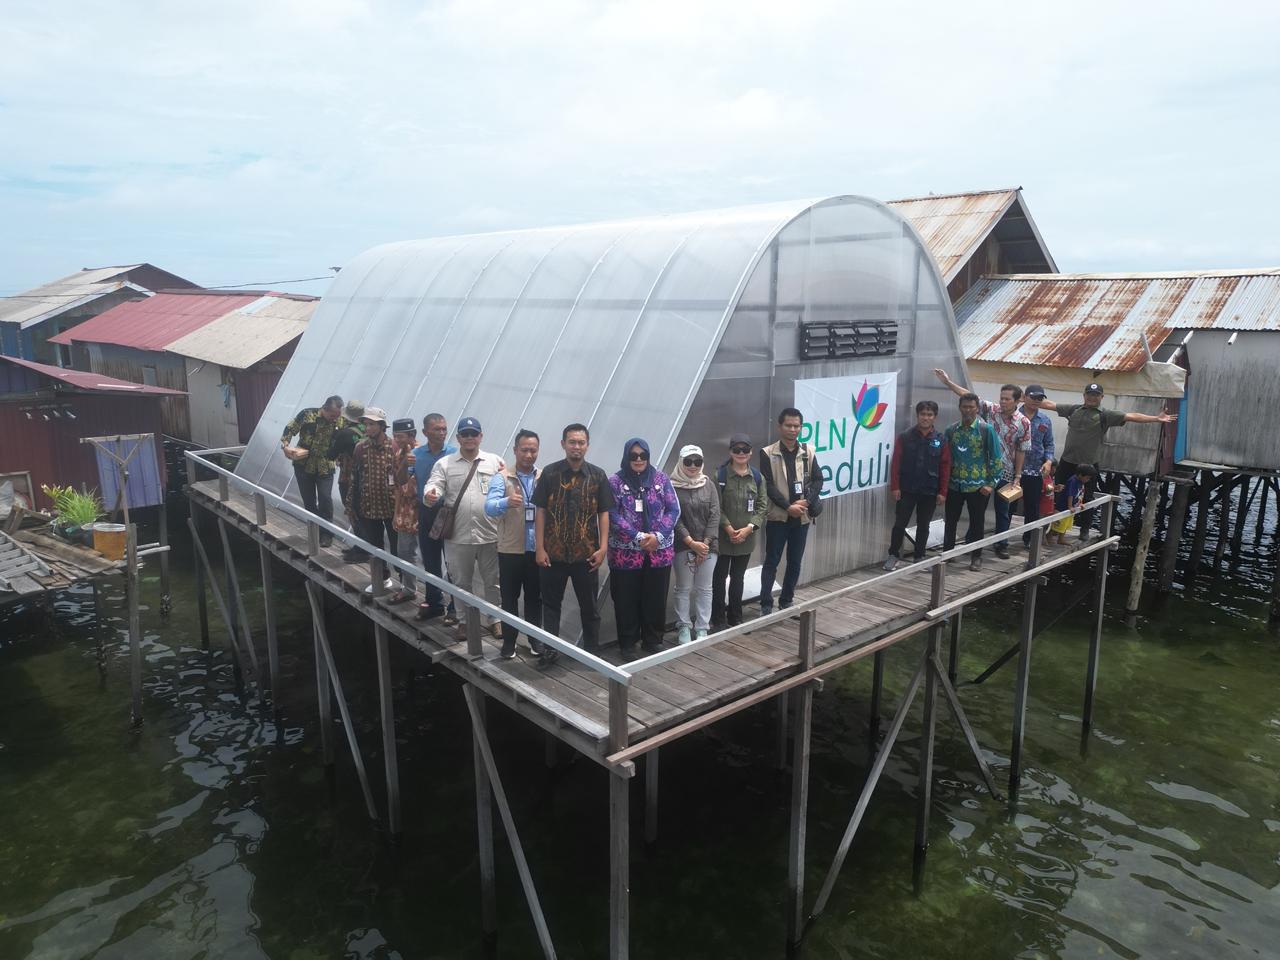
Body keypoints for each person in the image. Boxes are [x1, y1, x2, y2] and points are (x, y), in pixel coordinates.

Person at [1038, 383, 1176, 541]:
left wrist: (1157, 418)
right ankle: (1053, 530)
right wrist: (1025, 398)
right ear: (1084, 395)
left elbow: (1131, 416)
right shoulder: (1074, 409)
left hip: (1088, 465)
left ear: (1101, 397)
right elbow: (1050, 404)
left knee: (1087, 497)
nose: (1091, 397)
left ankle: (1084, 529)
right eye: (1089, 394)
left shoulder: (1105, 415)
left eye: (1095, 395)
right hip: (1067, 461)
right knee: (1058, 493)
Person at [533, 423, 615, 663]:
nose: (576, 447)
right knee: (551, 606)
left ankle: (591, 653)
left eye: (581, 442)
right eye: (572, 442)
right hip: (553, 554)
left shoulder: (598, 475)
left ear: (587, 445)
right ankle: (550, 651)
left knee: (589, 608)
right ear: (563, 444)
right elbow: (540, 512)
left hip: (586, 556)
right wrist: (539, 548)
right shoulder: (549, 474)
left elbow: (603, 513)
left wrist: (603, 549)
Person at [424, 417, 504, 640]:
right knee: (461, 583)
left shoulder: (495, 462)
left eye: (474, 433)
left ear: (481, 436)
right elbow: (435, 484)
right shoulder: (445, 464)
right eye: (465, 434)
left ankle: (495, 619)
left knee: (493, 581)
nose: (469, 437)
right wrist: (431, 494)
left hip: (490, 534)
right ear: (458, 437)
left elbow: (507, 487)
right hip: (458, 536)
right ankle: (464, 621)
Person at [934, 370, 1028, 558]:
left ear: (1017, 401)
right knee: (976, 513)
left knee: (1002, 511)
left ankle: (1000, 545)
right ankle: (968, 545)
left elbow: (1021, 450)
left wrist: (1017, 476)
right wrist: (948, 382)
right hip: (977, 473)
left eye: (1007, 399)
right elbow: (968, 398)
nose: (1003, 402)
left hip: (1005, 471)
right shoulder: (991, 410)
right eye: (1002, 398)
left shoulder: (1023, 422)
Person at [608, 438, 680, 656]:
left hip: (658, 553)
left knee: (655, 597)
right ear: (626, 457)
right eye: (633, 456)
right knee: (626, 600)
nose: (638, 460)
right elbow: (612, 514)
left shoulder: (660, 478)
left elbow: (673, 509)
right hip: (626, 554)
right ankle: (628, 643)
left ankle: (652, 639)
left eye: (643, 455)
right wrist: (637, 536)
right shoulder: (615, 482)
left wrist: (658, 536)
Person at [485, 429, 542, 660]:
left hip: (537, 549)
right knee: (509, 598)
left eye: (533, 450)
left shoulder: (543, 477)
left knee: (534, 599)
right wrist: (507, 502)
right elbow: (488, 507)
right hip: (510, 549)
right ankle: (509, 642)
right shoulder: (503, 477)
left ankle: (535, 639)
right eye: (524, 450)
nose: (529, 454)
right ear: (515, 450)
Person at [759, 408, 823, 614]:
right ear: (780, 426)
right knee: (772, 561)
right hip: (778, 517)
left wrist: (806, 502)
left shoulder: (808, 451)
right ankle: (766, 604)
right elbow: (766, 486)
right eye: (788, 425)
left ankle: (786, 600)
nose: (793, 429)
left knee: (795, 561)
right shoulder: (767, 453)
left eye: (797, 426)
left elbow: (818, 479)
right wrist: (788, 507)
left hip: (801, 519)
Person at [884, 400, 951, 571]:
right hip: (907, 489)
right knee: (900, 523)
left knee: (924, 525)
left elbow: (945, 466)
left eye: (929, 415)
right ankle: (893, 555)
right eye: (923, 414)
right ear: (917, 415)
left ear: (935, 417)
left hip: (929, 490)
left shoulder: (940, 439)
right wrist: (895, 487)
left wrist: (943, 492)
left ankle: (919, 557)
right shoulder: (905, 437)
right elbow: (896, 463)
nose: (925, 418)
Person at [711, 433, 768, 630]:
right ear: (730, 452)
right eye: (737, 450)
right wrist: (727, 527)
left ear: (751, 452)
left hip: (746, 538)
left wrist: (749, 528)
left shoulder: (758, 477)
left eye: (745, 450)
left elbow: (762, 506)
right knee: (719, 577)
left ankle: (736, 616)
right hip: (723, 537)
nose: (741, 453)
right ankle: (717, 619)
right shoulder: (719, 476)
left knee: (738, 577)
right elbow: (715, 506)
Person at [942, 393, 1002, 571]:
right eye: (964, 407)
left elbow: (996, 459)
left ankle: (976, 556)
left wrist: (990, 484)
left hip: (978, 487)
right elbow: (945, 459)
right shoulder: (951, 430)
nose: (968, 410)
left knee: (977, 523)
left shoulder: (986, 430)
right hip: (954, 485)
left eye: (971, 407)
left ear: (977, 408)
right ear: (959, 408)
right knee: (950, 521)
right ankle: (948, 554)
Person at [409, 413, 457, 621]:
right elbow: (402, 479)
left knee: (453, 561)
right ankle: (435, 603)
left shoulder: (455, 454)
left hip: (449, 512)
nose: (442, 433)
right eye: (437, 429)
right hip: (427, 512)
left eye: (444, 429)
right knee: (430, 560)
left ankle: (456, 608)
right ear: (425, 432)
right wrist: (402, 463)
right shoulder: (417, 454)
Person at [670, 444, 719, 645]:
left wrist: (704, 544)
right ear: (681, 462)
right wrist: (691, 542)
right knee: (683, 587)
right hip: (683, 545)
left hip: (708, 546)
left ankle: (702, 627)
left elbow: (715, 515)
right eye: (688, 461)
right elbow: (674, 517)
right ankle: (683, 626)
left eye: (697, 461)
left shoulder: (709, 484)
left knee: (705, 588)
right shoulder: (671, 486)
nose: (693, 466)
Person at [280, 394, 343, 545]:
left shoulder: (340, 420)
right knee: (309, 501)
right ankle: (314, 531)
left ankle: (326, 534)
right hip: (303, 465)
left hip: (325, 466)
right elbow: (290, 429)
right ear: (325, 409)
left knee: (325, 499)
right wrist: (285, 446)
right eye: (332, 415)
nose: (335, 419)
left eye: (338, 416)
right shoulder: (307, 414)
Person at [350, 407, 396, 593]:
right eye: (365, 424)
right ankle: (381, 578)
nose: (367, 428)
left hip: (392, 505)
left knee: (397, 546)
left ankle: (404, 580)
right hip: (369, 504)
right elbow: (355, 477)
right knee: (375, 545)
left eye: (371, 424)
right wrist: (351, 505)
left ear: (382, 426)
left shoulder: (394, 447)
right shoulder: (360, 448)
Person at [1019, 385, 1056, 547]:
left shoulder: (1045, 420)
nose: (1036, 401)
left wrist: (1048, 461)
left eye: (1040, 398)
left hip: (1035, 470)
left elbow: (1049, 444)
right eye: (1033, 397)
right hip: (1013, 470)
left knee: (1032, 507)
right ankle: (1001, 540)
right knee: (1007, 506)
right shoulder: (1014, 416)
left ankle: (1028, 539)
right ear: (1024, 397)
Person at [388, 418, 420, 604]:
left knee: (425, 553)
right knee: (404, 551)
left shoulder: (420, 454)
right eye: (395, 436)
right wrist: (396, 513)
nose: (397, 440)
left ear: (412, 435)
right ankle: (409, 588)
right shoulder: (399, 453)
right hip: (404, 510)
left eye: (400, 436)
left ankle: (436, 595)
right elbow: (398, 486)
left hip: (420, 509)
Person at [329, 399, 366, 535]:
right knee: (364, 511)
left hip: (349, 478)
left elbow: (331, 455)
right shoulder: (368, 429)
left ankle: (360, 547)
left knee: (352, 509)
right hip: (367, 476)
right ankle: (367, 545)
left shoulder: (345, 433)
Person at [1048, 463, 1097, 545]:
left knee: (1066, 524)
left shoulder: (1081, 482)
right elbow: (1070, 494)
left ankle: (1061, 539)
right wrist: (1070, 506)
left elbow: (1080, 493)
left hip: (1073, 506)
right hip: (1064, 507)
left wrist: (1080, 503)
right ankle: (1049, 536)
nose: (1088, 480)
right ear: (1081, 475)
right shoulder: (1073, 481)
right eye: (1087, 478)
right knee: (1058, 523)